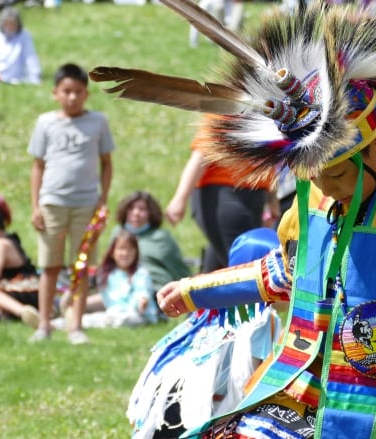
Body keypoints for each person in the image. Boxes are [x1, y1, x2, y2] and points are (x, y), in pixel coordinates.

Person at [91, 1, 376, 437]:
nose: (327, 186)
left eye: (337, 173)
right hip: (308, 390)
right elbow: (285, 273)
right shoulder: (316, 198)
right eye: (315, 176)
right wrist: (193, 290)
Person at [128, 227, 282, 438]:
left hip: (161, 411)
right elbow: (255, 385)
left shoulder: (210, 309)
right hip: (195, 417)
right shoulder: (260, 317)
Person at [28, 62, 115, 344]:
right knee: (50, 266)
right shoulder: (45, 123)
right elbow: (38, 166)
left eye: (78, 92)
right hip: (52, 202)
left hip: (86, 204)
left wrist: (102, 199)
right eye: (66, 92)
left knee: (80, 267)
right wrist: (36, 206)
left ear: (86, 94)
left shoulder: (98, 122)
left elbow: (106, 164)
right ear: (55, 93)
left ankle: (75, 326)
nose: (72, 97)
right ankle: (44, 324)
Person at [165, 115, 270, 273]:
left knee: (222, 265)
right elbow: (200, 157)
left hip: (254, 195)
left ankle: (203, 296)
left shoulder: (265, 113)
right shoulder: (226, 111)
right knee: (245, 266)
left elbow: (268, 162)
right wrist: (180, 198)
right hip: (223, 195)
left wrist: (272, 202)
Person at [77, 229, 158, 328]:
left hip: (138, 315)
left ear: (136, 252)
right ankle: (63, 321)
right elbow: (107, 298)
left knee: (121, 319)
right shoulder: (107, 274)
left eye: (130, 249)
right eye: (121, 249)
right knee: (87, 317)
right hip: (115, 313)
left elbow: (143, 292)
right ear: (112, 252)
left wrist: (142, 302)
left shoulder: (141, 273)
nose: (125, 253)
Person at [0, 191, 40, 328]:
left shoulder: (1, 244)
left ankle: (23, 313)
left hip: (28, 289)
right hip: (12, 291)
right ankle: (4, 314)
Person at [0, 7, 41, 85]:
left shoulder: (24, 36)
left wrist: (35, 78)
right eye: (7, 24)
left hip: (15, 77)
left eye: (13, 24)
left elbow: (31, 58)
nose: (10, 27)